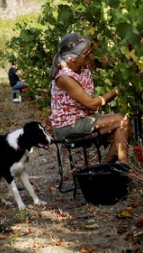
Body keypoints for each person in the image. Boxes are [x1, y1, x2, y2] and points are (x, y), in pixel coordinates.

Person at [49, 33, 130, 163]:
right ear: (71, 58)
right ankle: (123, 166)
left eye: (91, 52)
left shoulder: (83, 64)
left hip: (83, 119)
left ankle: (106, 168)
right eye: (87, 54)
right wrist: (118, 90)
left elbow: (106, 63)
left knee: (124, 133)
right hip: (68, 125)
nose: (91, 56)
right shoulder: (64, 78)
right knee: (121, 120)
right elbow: (92, 104)